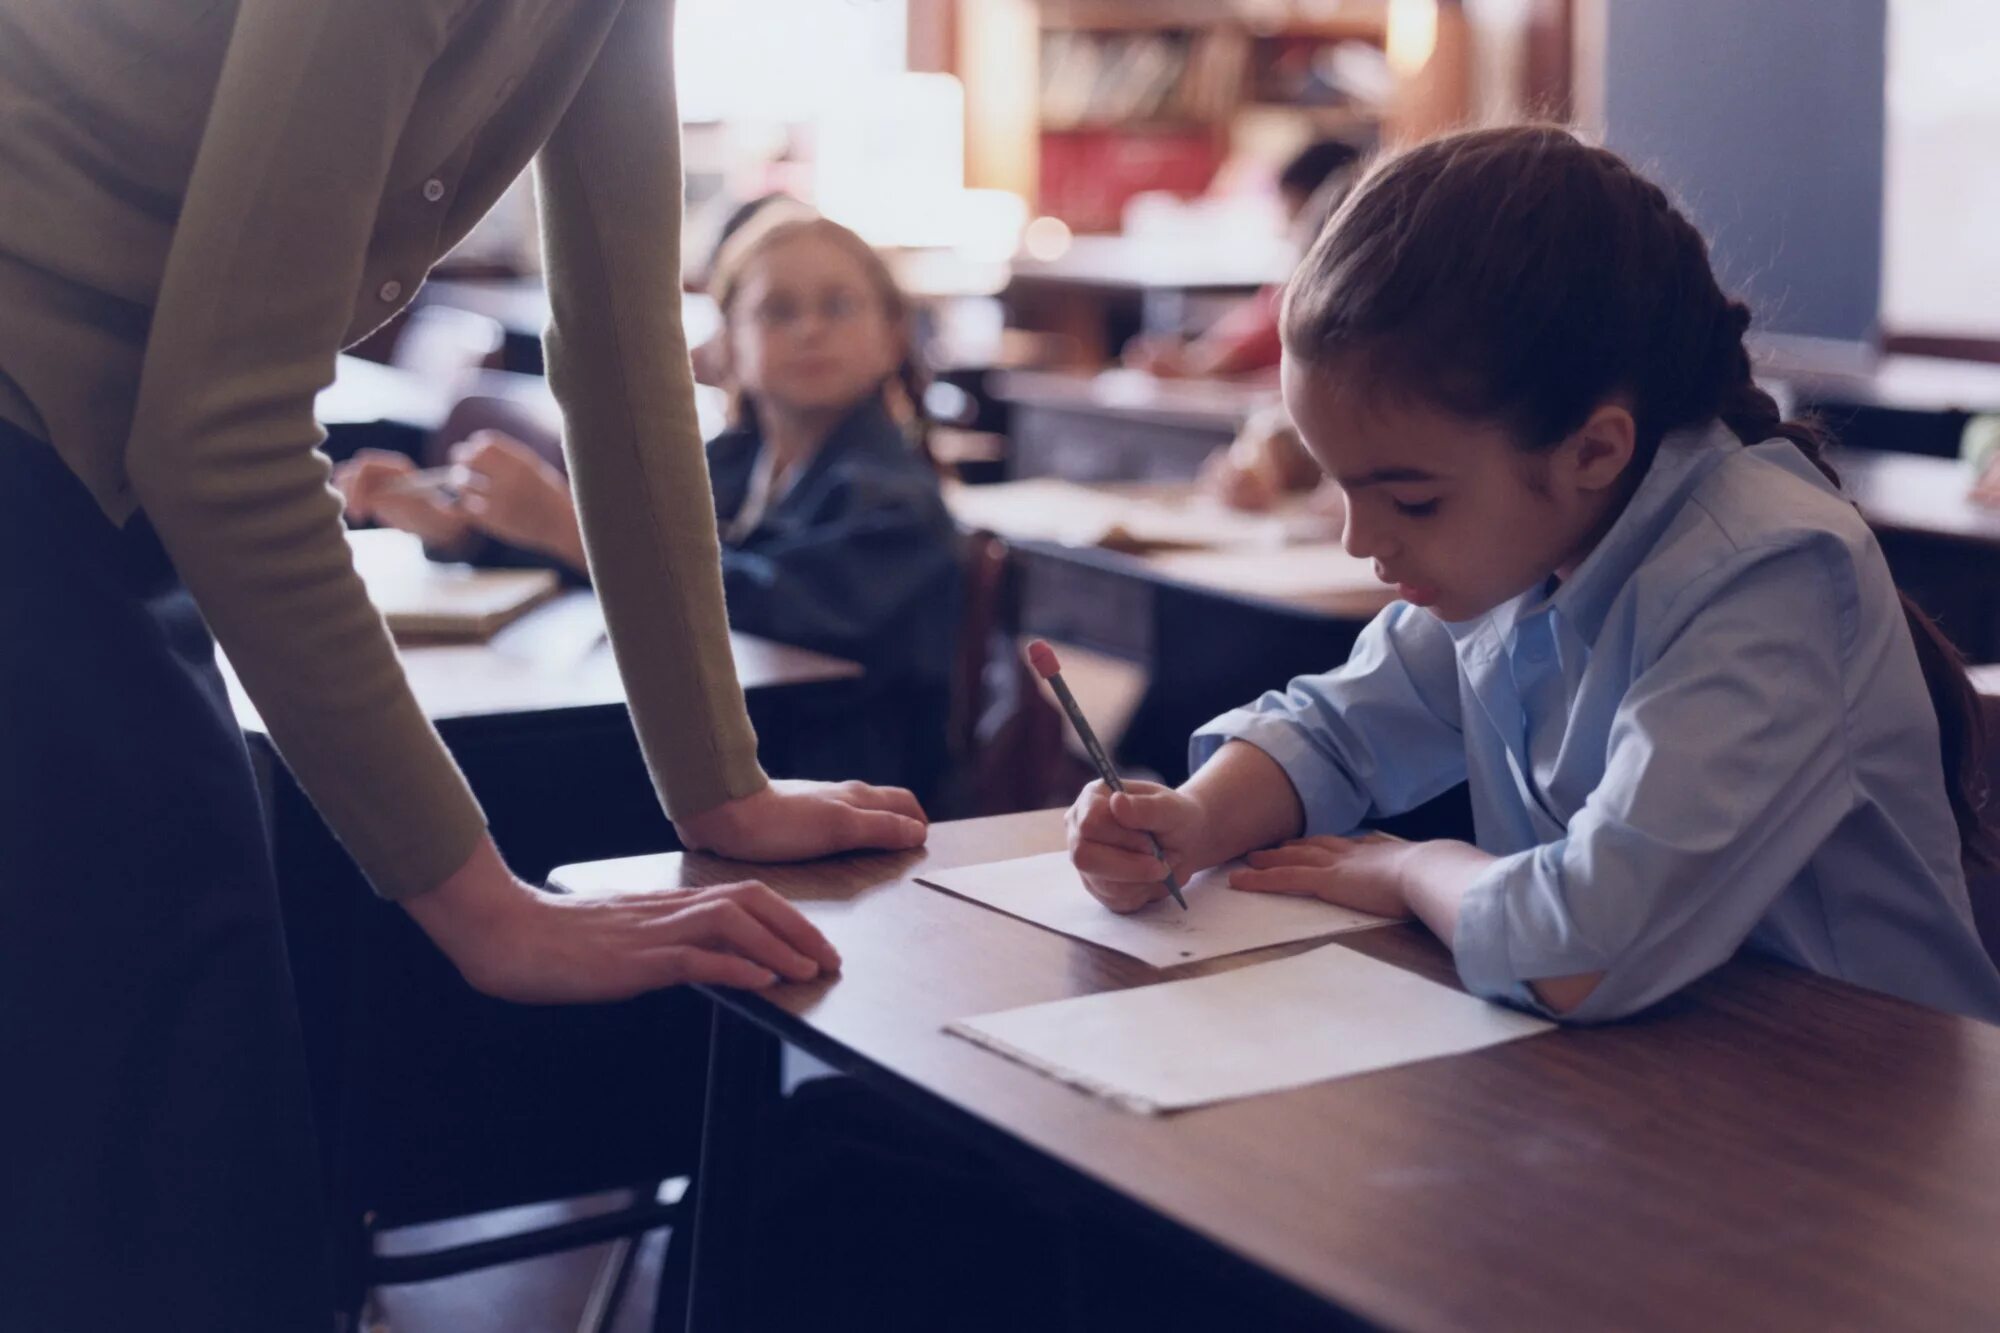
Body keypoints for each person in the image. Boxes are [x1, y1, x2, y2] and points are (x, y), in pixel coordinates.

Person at [0, 3, 926, 1328]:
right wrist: (488, 909)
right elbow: (222, 431)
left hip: (92, 484)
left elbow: (622, 341)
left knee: (187, 1122)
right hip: (35, 457)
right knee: (160, 1140)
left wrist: (719, 779)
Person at [1067, 125, 2000, 1025]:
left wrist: (1412, 869)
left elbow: (1582, 949)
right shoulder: (1531, 542)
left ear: (1593, 448)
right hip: (1661, 1071)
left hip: (1867, 1114)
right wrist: (1188, 820)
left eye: (1412, 499)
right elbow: (1338, 727)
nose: (1359, 540)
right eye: (1337, 484)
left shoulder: (1770, 569)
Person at [340, 213, 961, 794]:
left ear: (891, 336)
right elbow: (621, 566)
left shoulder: (895, 499)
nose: (810, 329)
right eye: (777, 310)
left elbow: (763, 604)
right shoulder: (732, 462)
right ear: (729, 345)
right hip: (730, 756)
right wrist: (464, 531)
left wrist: (569, 527)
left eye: (839, 306)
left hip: (832, 781)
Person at [1123, 137, 1362, 381]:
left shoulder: (1329, 299)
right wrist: (1195, 358)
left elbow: (1270, 358)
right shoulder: (1290, 290)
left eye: (1297, 219)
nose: (1290, 233)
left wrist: (1196, 367)